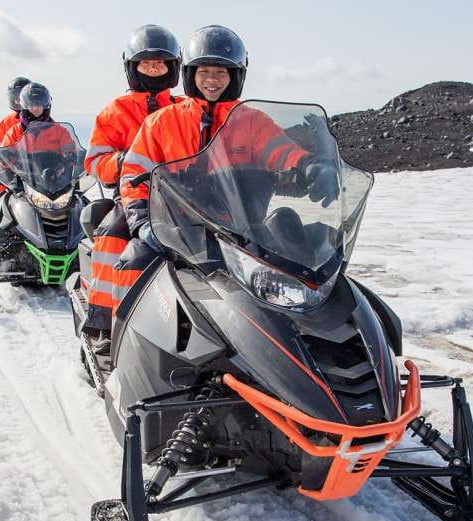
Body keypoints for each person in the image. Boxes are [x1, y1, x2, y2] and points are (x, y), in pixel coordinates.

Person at [111, 25, 337, 311]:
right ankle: (113, 333)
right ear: (190, 74)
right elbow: (133, 175)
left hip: (241, 233)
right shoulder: (161, 123)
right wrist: (143, 222)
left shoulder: (250, 120)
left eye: (221, 72)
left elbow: (280, 150)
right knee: (135, 269)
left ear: (236, 75)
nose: (212, 80)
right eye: (204, 71)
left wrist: (309, 165)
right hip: (176, 232)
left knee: (298, 264)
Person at [81, 25, 182, 343]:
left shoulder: (182, 108)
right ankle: (105, 324)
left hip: (182, 197)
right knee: (112, 234)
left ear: (173, 67)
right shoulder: (115, 112)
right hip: (131, 197)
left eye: (160, 63)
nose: (154, 69)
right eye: (146, 63)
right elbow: (94, 163)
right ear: (133, 68)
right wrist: (123, 161)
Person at [0, 82, 57, 194]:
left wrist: (65, 168)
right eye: (32, 104)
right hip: (21, 184)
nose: (36, 108)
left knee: (80, 204)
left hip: (53, 183)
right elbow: (1, 157)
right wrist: (12, 177)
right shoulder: (13, 130)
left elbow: (71, 154)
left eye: (39, 104)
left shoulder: (58, 130)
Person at [0, 76, 32, 195]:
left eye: (21, 97)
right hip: (11, 171)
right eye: (15, 97)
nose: (18, 101)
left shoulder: (43, 121)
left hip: (37, 170)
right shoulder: (5, 123)